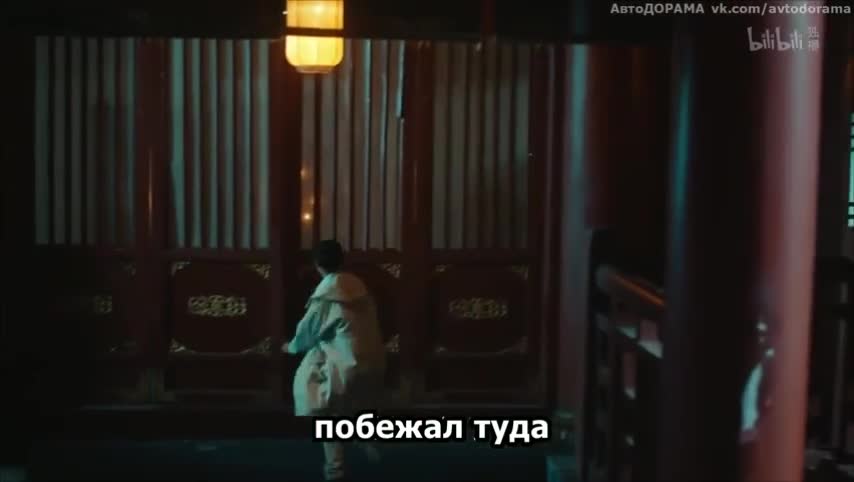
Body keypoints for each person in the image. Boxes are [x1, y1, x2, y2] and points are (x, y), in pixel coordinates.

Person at [281, 240, 386, 480]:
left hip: (344, 363)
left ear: (317, 264)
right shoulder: (359, 289)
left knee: (323, 405)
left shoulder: (326, 296)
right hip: (371, 359)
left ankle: (335, 469)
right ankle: (365, 437)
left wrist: (291, 347)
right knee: (353, 402)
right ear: (342, 261)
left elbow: (307, 332)